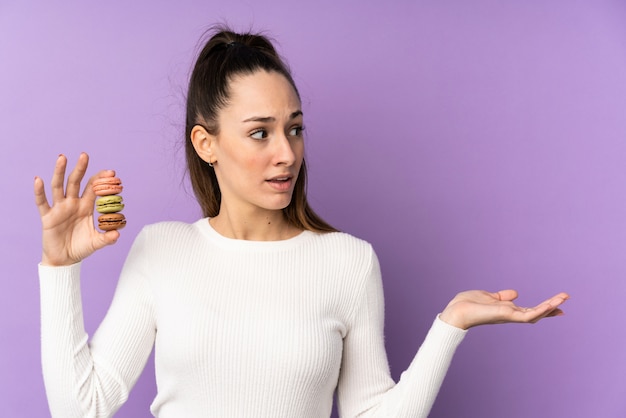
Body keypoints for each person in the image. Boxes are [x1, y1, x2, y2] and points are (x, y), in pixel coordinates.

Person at [34, 27, 569, 418]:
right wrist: (59, 268)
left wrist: (449, 326)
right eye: (260, 133)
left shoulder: (348, 261)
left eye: (294, 129)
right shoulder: (162, 251)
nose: (287, 153)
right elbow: (83, 408)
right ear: (207, 144)